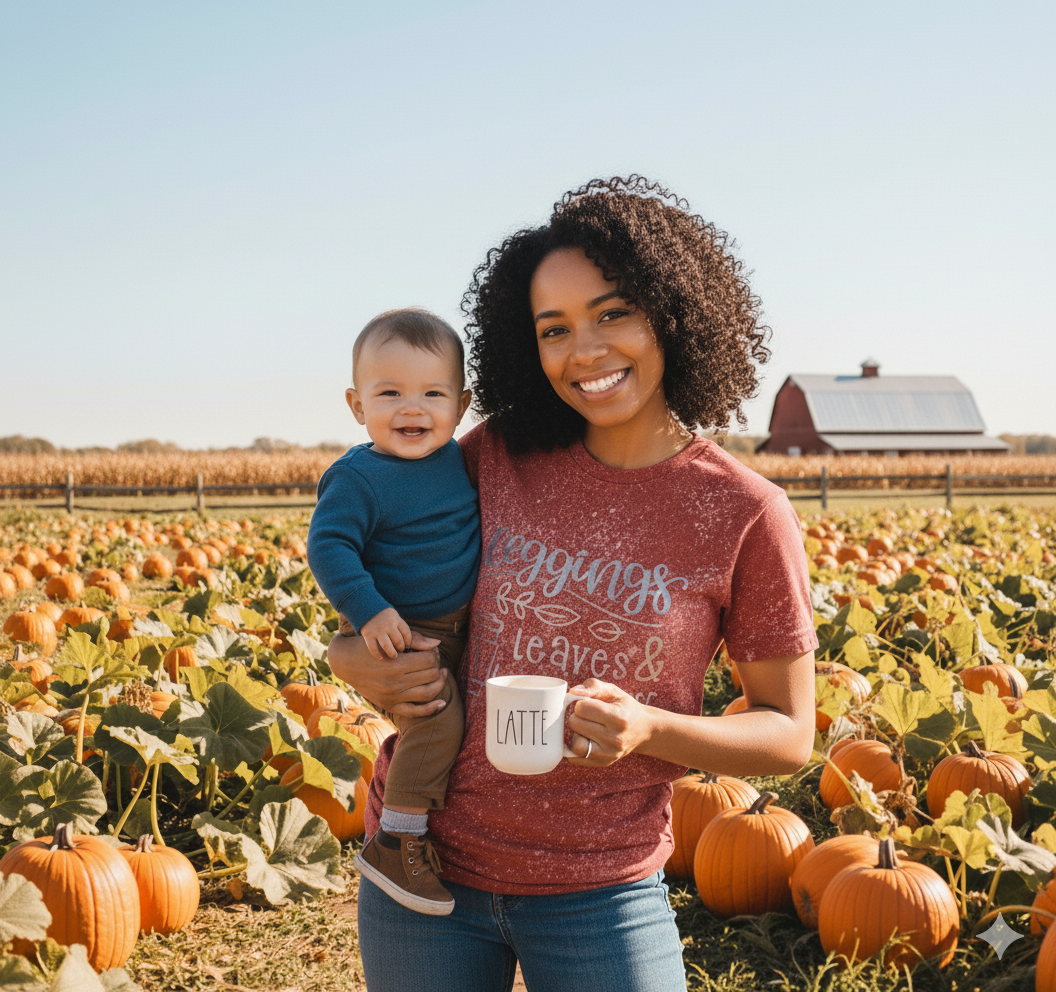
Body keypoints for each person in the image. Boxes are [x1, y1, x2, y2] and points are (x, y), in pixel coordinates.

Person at [328, 176, 819, 992]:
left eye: (614, 313)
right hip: (422, 865)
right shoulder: (495, 454)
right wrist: (352, 656)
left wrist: (647, 728)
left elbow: (788, 733)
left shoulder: (744, 513)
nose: (584, 351)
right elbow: (377, 574)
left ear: (673, 311)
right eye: (553, 329)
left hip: (603, 889)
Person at [306, 307, 480, 916]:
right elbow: (328, 547)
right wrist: (369, 611)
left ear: (460, 404)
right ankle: (397, 838)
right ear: (357, 406)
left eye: (433, 392)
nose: (413, 408)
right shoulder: (359, 476)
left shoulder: (460, 459)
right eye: (390, 393)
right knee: (437, 718)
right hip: (397, 628)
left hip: (456, 624)